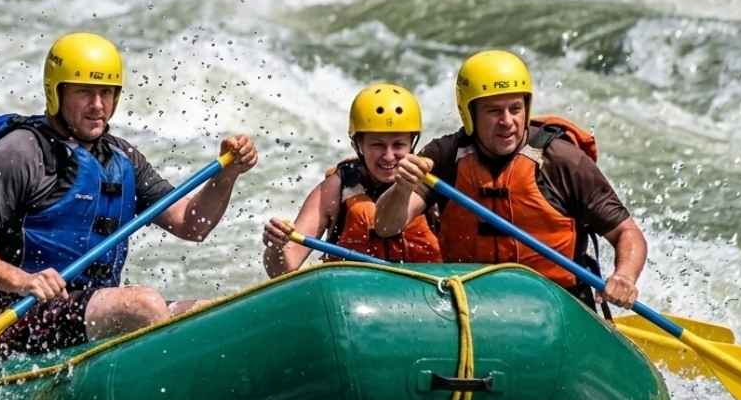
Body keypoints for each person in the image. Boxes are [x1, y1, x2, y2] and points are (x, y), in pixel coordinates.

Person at [0, 32, 259, 355]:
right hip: (16, 316)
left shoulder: (121, 158)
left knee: (215, 312)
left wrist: (226, 177)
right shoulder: (18, 152)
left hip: (87, 311)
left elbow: (191, 224)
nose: (98, 106)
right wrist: (21, 281)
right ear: (56, 92)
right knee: (142, 305)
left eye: (106, 93)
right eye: (84, 92)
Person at [376, 50, 647, 309]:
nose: (507, 121)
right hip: (470, 302)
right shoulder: (445, 157)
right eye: (494, 111)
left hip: (556, 306)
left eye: (515, 108)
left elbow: (627, 233)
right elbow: (386, 226)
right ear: (470, 114)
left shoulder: (562, 161)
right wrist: (401, 188)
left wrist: (624, 276)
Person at [262, 83, 440, 277]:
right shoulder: (336, 188)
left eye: (398, 145)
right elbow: (282, 270)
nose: (389, 156)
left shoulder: (431, 183)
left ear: (412, 144)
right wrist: (275, 247)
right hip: (354, 295)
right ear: (359, 145)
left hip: (424, 290)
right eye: (377, 145)